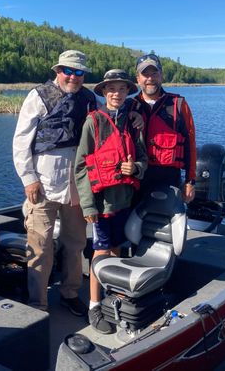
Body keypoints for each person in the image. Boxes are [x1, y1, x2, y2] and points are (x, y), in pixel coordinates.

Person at [12, 50, 96, 316]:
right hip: (43, 185)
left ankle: (70, 293)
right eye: (68, 71)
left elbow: (108, 125)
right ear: (58, 71)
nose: (73, 77)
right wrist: (29, 179)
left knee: (75, 244)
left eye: (79, 72)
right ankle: (38, 303)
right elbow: (21, 142)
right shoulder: (37, 96)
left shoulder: (91, 99)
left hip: (77, 186)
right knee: (39, 246)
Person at [75, 69, 148, 333]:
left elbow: (142, 158)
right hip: (102, 204)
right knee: (101, 253)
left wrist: (136, 169)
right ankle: (94, 306)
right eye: (111, 89)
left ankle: (113, 298)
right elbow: (81, 167)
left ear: (128, 91)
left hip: (125, 201)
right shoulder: (93, 122)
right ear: (104, 93)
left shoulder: (132, 121)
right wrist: (88, 205)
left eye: (121, 89)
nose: (116, 94)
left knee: (117, 250)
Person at [133, 53, 197, 202]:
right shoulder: (130, 106)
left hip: (169, 180)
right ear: (138, 79)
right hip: (136, 180)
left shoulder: (179, 105)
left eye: (154, 73)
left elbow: (190, 145)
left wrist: (190, 181)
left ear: (161, 76)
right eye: (145, 74)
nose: (150, 78)